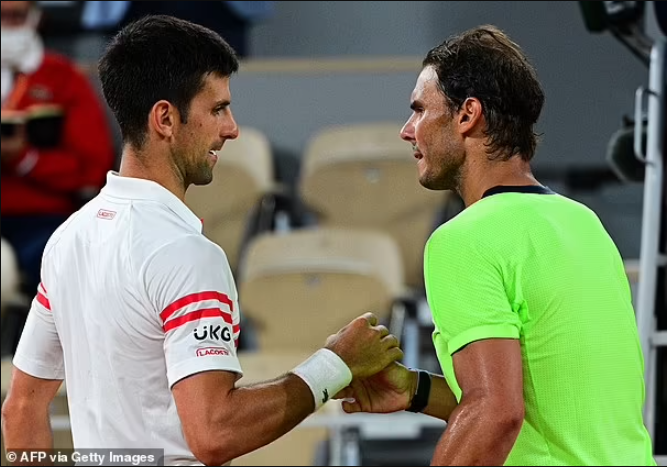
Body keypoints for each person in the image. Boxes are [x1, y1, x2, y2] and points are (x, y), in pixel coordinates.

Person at [0, 15, 403, 466]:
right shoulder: (186, 255)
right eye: (217, 109)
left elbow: (21, 409)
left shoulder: (69, 238)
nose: (231, 128)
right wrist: (335, 364)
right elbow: (214, 432)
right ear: (165, 118)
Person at [335, 25, 657, 466]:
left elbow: (496, 411)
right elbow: (539, 403)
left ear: (467, 115)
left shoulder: (463, 240)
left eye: (419, 110)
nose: (407, 131)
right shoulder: (585, 224)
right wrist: (415, 390)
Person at [1, 0, 114, 298]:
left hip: (43, 218)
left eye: (16, 16)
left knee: (64, 264)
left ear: (35, 18)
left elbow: (93, 167)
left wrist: (26, 160)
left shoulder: (63, 78)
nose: (7, 25)